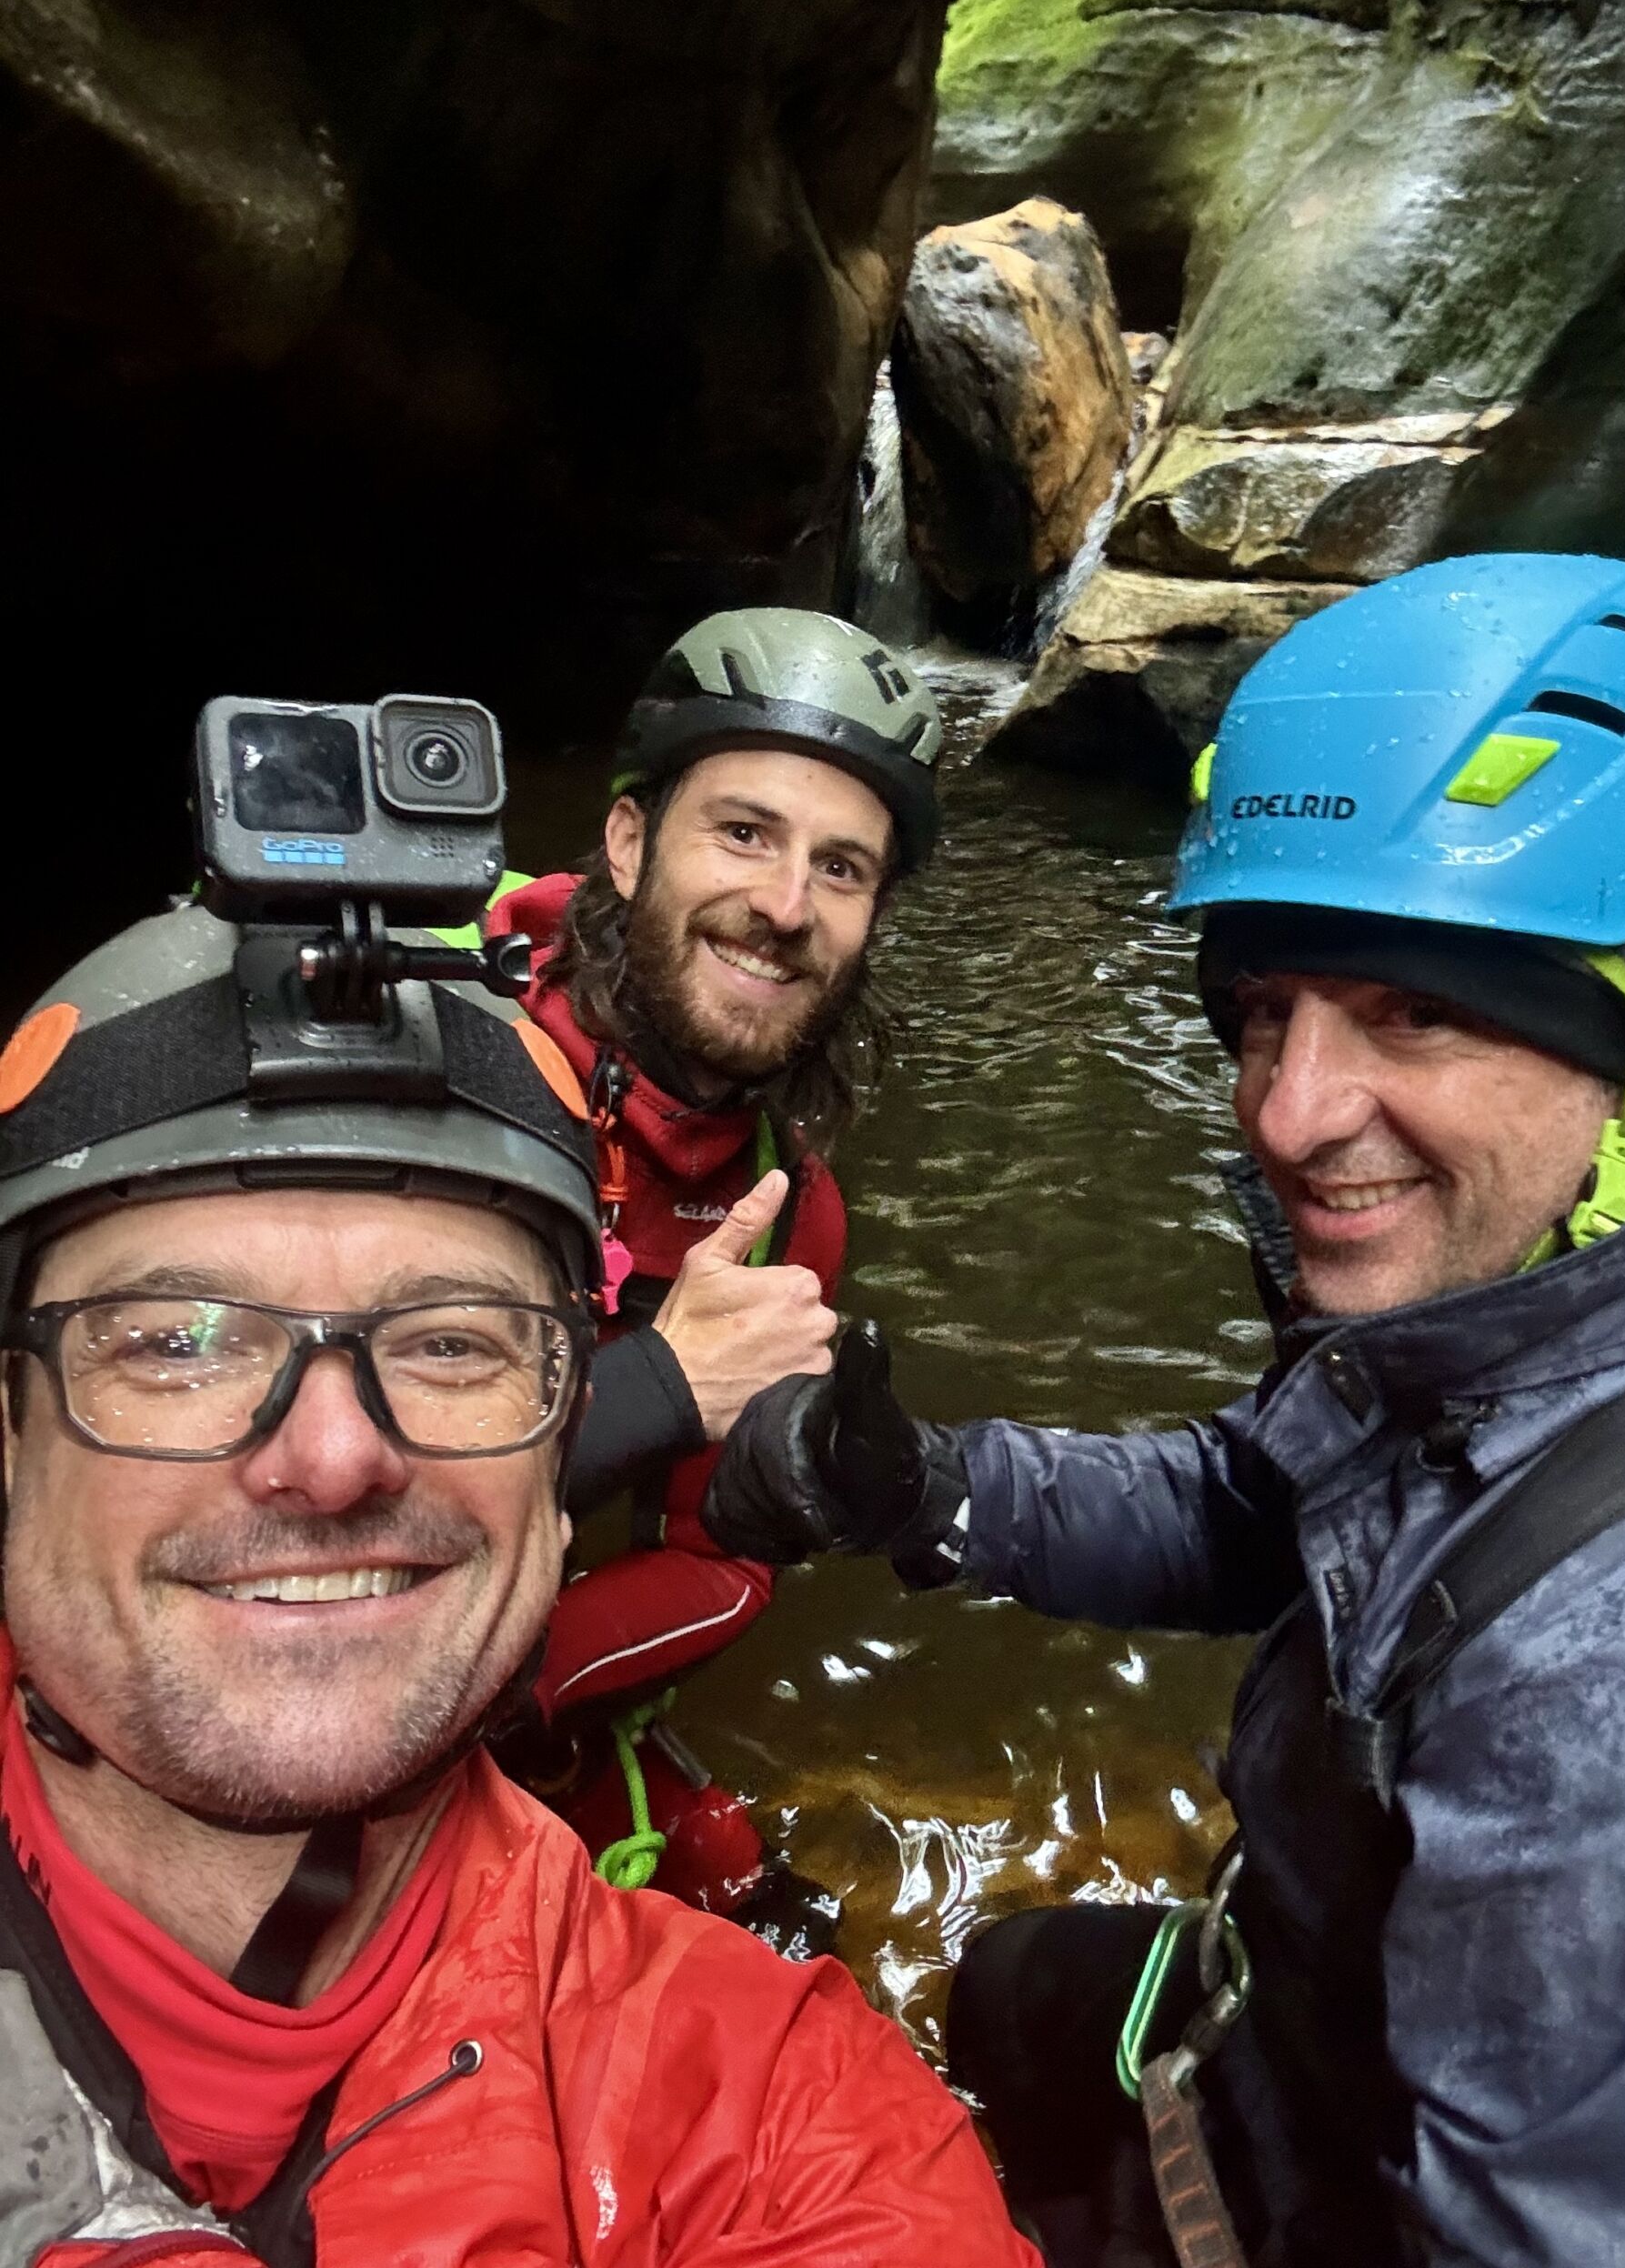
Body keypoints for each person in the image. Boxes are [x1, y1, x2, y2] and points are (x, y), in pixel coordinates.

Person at [699, 553, 1625, 2267]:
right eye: (1266, 1013)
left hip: (1351, 2164)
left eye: (1416, 1010)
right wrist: (923, 1490)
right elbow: (1271, 1511)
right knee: (1007, 1993)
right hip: (1289, 2001)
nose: (1292, 1112)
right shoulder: (1525, 1303)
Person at [0, 895, 1036, 2266]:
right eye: (178, 1341)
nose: (333, 1456)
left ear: (556, 1452)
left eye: (451, 1343)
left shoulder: (789, 2115)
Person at [484, 607, 941, 1941]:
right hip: (277, 1676)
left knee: (760, 1906)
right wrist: (664, 1388)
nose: (785, 908)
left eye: (841, 868)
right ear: (628, 844)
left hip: (512, 1675)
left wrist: (521, 1711)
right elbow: (269, 1499)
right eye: (744, 832)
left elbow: (712, 1562)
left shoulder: (788, 1213)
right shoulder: (436, 1072)